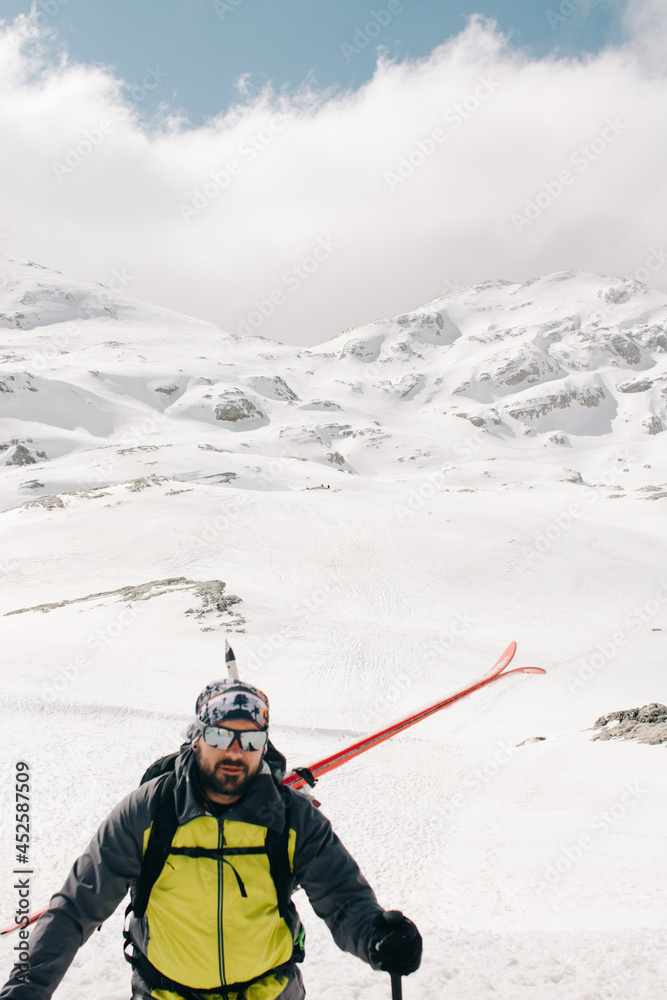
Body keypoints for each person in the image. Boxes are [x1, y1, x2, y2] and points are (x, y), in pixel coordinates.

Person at [1, 679, 422, 999]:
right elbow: (76, 907)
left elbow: (344, 899)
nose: (235, 752)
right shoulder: (150, 811)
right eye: (221, 735)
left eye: (251, 740)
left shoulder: (292, 817)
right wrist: (27, 987)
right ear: (198, 735)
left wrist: (377, 939)